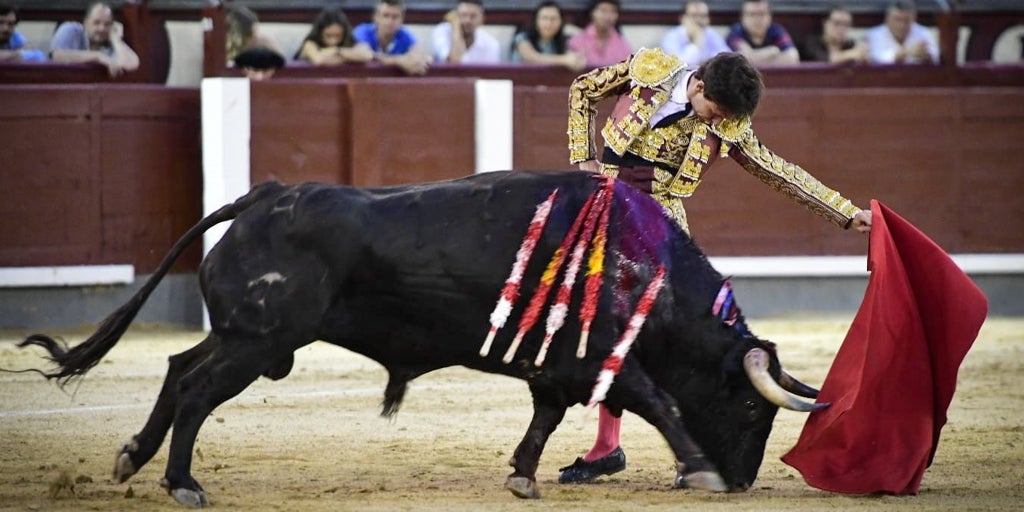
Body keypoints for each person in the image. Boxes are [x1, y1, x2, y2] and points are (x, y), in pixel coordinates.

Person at [561, 48, 872, 483]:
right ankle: (608, 446)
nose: (717, 121)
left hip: (661, 228)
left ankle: (687, 449)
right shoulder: (649, 71)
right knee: (601, 327)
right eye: (715, 111)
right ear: (699, 86)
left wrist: (845, 213)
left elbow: (778, 171)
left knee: (672, 340)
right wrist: (584, 158)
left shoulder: (727, 124)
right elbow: (582, 90)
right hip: (607, 209)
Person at [49, 1, 139, 76]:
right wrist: (98, 56)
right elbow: (57, 56)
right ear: (86, 23)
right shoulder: (70, 29)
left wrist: (116, 40)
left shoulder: (110, 43)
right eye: (96, 23)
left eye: (107, 24)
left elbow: (131, 65)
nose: (102, 28)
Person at [353, 0, 430, 75]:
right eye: (385, 16)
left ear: (402, 19)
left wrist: (417, 59)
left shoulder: (404, 34)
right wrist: (399, 61)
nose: (390, 21)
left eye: (395, 17)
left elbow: (419, 53)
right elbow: (365, 55)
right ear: (376, 17)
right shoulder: (362, 31)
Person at [510, 1, 584, 71]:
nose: (549, 23)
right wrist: (564, 60)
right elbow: (532, 57)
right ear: (536, 21)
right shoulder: (522, 38)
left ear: (561, 22)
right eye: (544, 18)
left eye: (553, 19)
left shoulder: (564, 41)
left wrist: (576, 60)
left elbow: (572, 56)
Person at [726, 0, 799, 66]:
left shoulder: (776, 30)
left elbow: (792, 57)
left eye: (761, 14)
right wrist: (772, 51)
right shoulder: (735, 32)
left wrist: (756, 59)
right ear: (743, 17)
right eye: (752, 14)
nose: (757, 19)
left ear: (769, 16)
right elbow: (743, 60)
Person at [865, 0, 938, 65]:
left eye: (906, 20)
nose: (901, 25)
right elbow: (879, 59)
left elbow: (936, 58)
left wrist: (926, 56)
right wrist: (907, 52)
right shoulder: (874, 35)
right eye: (897, 19)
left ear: (914, 19)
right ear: (887, 19)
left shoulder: (923, 33)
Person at [659, 1, 729, 66]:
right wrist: (697, 42)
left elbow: (726, 58)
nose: (698, 20)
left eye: (703, 16)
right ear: (682, 18)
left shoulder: (711, 34)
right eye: (694, 15)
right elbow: (680, 66)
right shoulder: (671, 37)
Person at [295, 7, 373, 65]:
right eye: (328, 36)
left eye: (338, 36)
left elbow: (367, 55)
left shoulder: (347, 42)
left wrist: (337, 51)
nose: (333, 41)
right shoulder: (309, 44)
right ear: (320, 33)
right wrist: (351, 57)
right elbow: (319, 60)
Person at [432, 0, 502, 64]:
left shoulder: (491, 44)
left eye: (473, 16)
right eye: (463, 15)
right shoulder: (442, 31)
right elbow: (453, 62)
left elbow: (491, 73)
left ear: (482, 19)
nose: (467, 21)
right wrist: (456, 28)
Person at [568, 0, 631, 68]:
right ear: (592, 13)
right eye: (603, 11)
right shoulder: (576, 42)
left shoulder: (621, 43)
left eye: (613, 12)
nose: (608, 16)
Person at [799, 6, 868, 64]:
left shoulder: (850, 45)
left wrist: (863, 55)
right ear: (825, 23)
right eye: (836, 23)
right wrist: (850, 54)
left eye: (846, 24)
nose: (841, 28)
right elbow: (825, 59)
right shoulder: (812, 42)